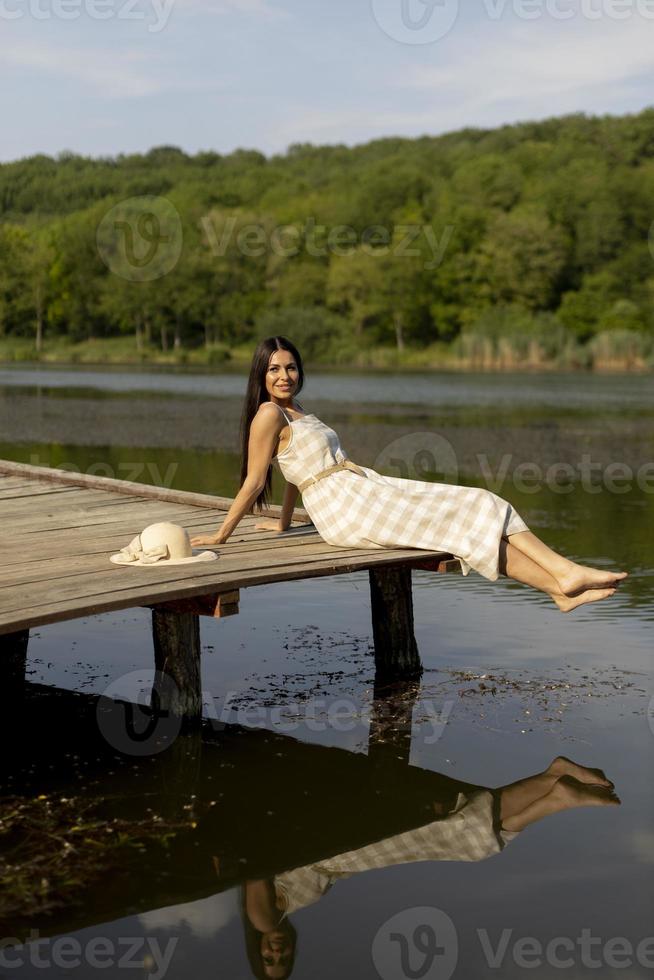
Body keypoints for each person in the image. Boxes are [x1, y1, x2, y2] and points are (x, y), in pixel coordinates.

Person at [191, 337, 628, 612]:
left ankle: (557, 587)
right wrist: (220, 536)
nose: (284, 375)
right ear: (261, 375)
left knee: (478, 507)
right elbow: (254, 481)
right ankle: (564, 574)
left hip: (362, 488)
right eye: (274, 369)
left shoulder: (297, 411)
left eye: (290, 367)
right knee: (473, 507)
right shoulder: (268, 414)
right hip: (345, 508)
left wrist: (286, 522)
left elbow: (290, 472)